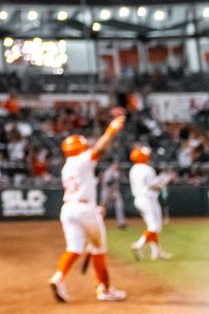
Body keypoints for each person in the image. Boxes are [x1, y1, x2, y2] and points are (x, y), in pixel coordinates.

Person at [48, 115, 128, 303]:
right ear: (79, 148)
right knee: (98, 250)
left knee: (74, 249)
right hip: (84, 209)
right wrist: (111, 129)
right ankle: (104, 289)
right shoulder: (80, 160)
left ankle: (58, 277)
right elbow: (99, 149)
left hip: (69, 209)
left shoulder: (67, 166)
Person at [128, 146, 172, 260]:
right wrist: (164, 180)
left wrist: (160, 180)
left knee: (154, 227)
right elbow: (154, 187)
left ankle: (156, 253)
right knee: (154, 227)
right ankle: (138, 245)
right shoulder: (147, 169)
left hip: (139, 199)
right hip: (148, 200)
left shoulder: (133, 169)